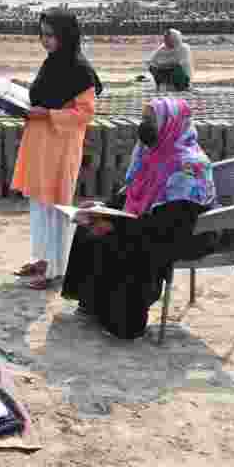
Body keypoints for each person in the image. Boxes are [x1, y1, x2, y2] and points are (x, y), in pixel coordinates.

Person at [62, 98, 217, 339]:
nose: (143, 125)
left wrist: (115, 225)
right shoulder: (151, 154)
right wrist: (101, 209)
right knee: (90, 226)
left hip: (187, 233)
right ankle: (91, 302)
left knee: (123, 242)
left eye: (150, 120)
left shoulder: (187, 166)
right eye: (144, 118)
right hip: (153, 223)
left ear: (170, 124)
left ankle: (124, 322)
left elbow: (171, 223)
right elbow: (130, 194)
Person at [11, 7, 102, 290]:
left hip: (60, 147)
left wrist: (48, 115)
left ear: (66, 35)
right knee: (39, 206)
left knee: (55, 208)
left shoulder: (80, 70)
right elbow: (44, 96)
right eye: (42, 35)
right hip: (39, 144)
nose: (45, 41)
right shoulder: (52, 63)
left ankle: (54, 270)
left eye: (50, 35)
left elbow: (85, 114)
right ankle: (41, 260)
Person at [149, 28, 193, 92]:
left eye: (167, 38)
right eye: (165, 38)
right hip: (165, 71)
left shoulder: (184, 48)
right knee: (152, 68)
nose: (165, 40)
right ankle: (161, 85)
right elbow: (152, 61)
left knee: (177, 68)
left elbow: (180, 63)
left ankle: (181, 87)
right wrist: (160, 66)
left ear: (174, 38)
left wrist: (164, 65)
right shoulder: (162, 48)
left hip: (181, 75)